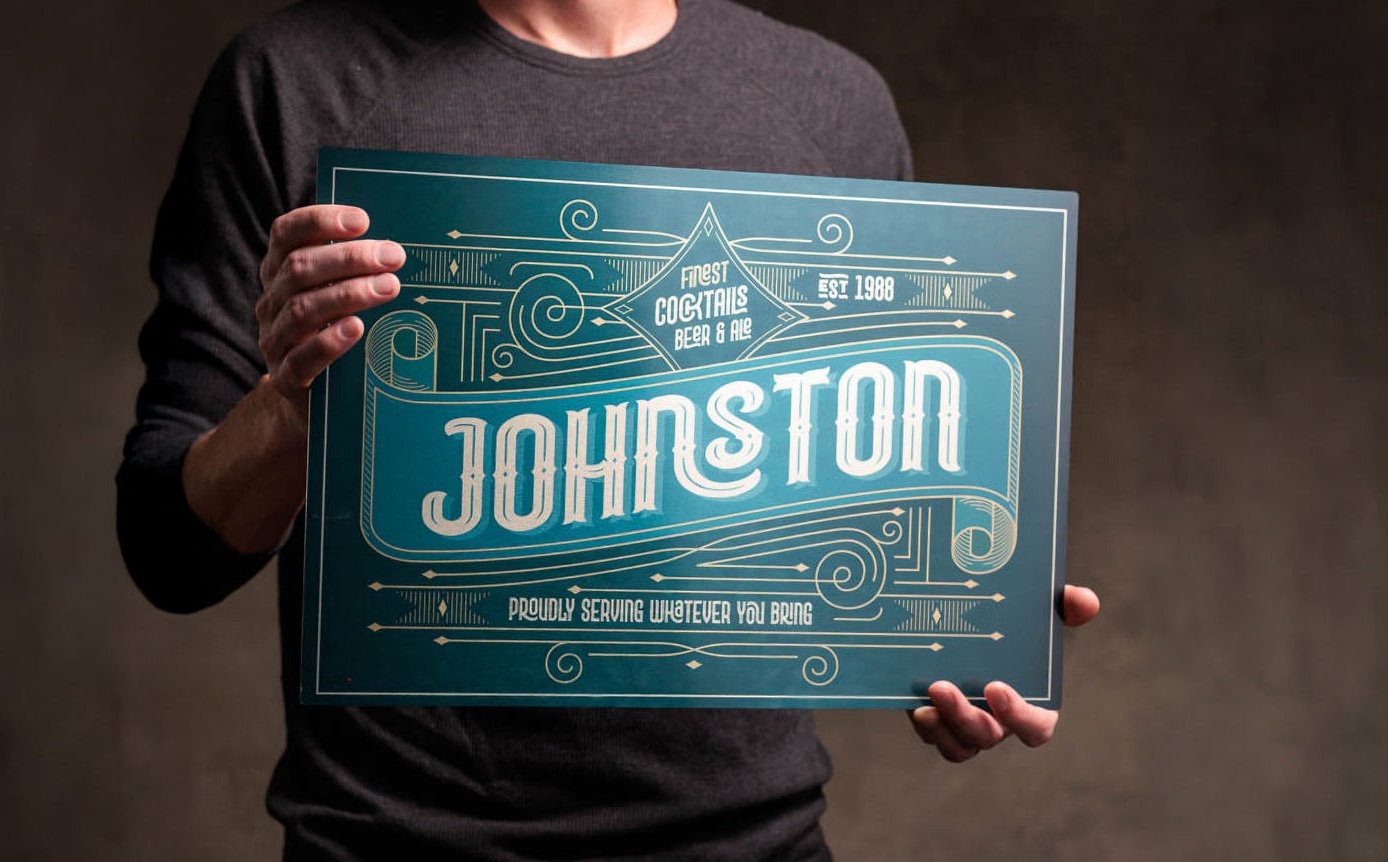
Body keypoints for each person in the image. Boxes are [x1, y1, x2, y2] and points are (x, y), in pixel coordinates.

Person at [116, 1, 1101, 858]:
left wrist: (967, 626)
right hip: (393, 842)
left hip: (756, 846)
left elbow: (838, 523)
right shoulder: (296, 81)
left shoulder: (831, 100)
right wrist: (294, 405)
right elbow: (171, 552)